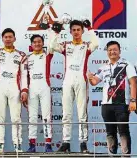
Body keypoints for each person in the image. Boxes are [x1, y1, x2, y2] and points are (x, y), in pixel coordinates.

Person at [48, 19, 99, 153]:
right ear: (70, 32)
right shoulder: (66, 45)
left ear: (82, 31)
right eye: (74, 30)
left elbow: (96, 43)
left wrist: (90, 28)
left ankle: (83, 143)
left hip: (81, 80)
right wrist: (56, 31)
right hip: (67, 81)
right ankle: (66, 142)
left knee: (82, 113)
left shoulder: (87, 46)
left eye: (79, 29)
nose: (76, 32)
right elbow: (52, 45)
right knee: (66, 113)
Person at [0, 20, 28, 153]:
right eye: (5, 37)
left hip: (15, 88)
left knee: (16, 118)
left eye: (10, 37)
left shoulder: (21, 55)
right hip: (0, 87)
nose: (8, 39)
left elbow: (24, 75)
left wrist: (24, 90)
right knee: (0, 117)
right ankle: (0, 145)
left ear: (14, 38)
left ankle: (17, 145)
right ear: (2, 39)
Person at [88, 41, 137, 155]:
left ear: (119, 51)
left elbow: (133, 83)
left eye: (115, 49)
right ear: (107, 52)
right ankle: (112, 155)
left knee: (123, 132)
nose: (112, 52)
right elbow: (95, 82)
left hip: (121, 104)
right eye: (110, 50)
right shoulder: (104, 67)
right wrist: (90, 78)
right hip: (106, 105)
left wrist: (133, 100)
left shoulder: (126, 65)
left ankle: (125, 156)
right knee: (110, 132)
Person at [26, 34, 53, 152]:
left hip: (44, 88)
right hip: (32, 89)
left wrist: (50, 29)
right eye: (35, 42)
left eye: (39, 42)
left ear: (43, 43)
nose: (37, 44)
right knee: (32, 117)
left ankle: (48, 144)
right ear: (31, 45)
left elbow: (52, 43)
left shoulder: (47, 55)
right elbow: (23, 76)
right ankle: (32, 145)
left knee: (46, 117)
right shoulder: (27, 58)